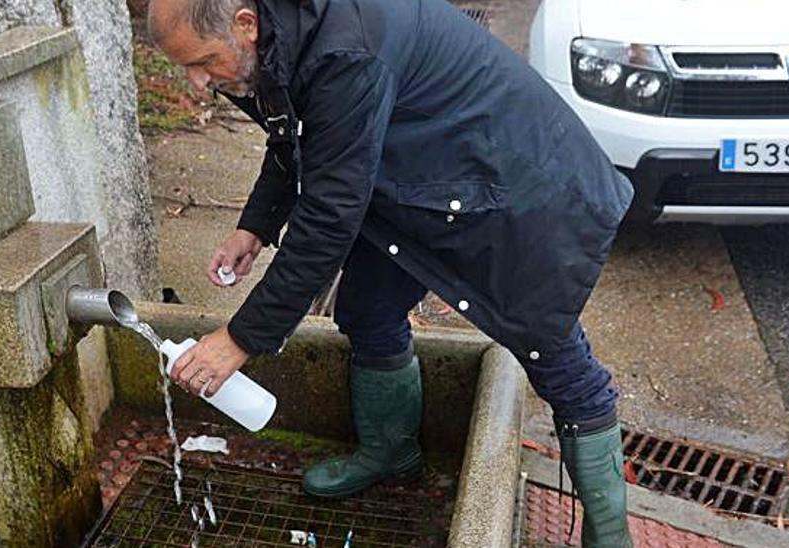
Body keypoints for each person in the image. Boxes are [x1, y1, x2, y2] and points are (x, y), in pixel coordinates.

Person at [148, 0, 635, 544]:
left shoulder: (344, 51)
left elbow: (329, 215)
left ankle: (610, 534)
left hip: (516, 183)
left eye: (203, 61)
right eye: (185, 67)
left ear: (244, 23)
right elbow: (296, 133)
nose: (197, 83)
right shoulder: (280, 40)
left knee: (553, 352)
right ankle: (392, 453)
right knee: (367, 310)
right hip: (418, 175)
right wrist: (255, 227)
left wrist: (240, 339)